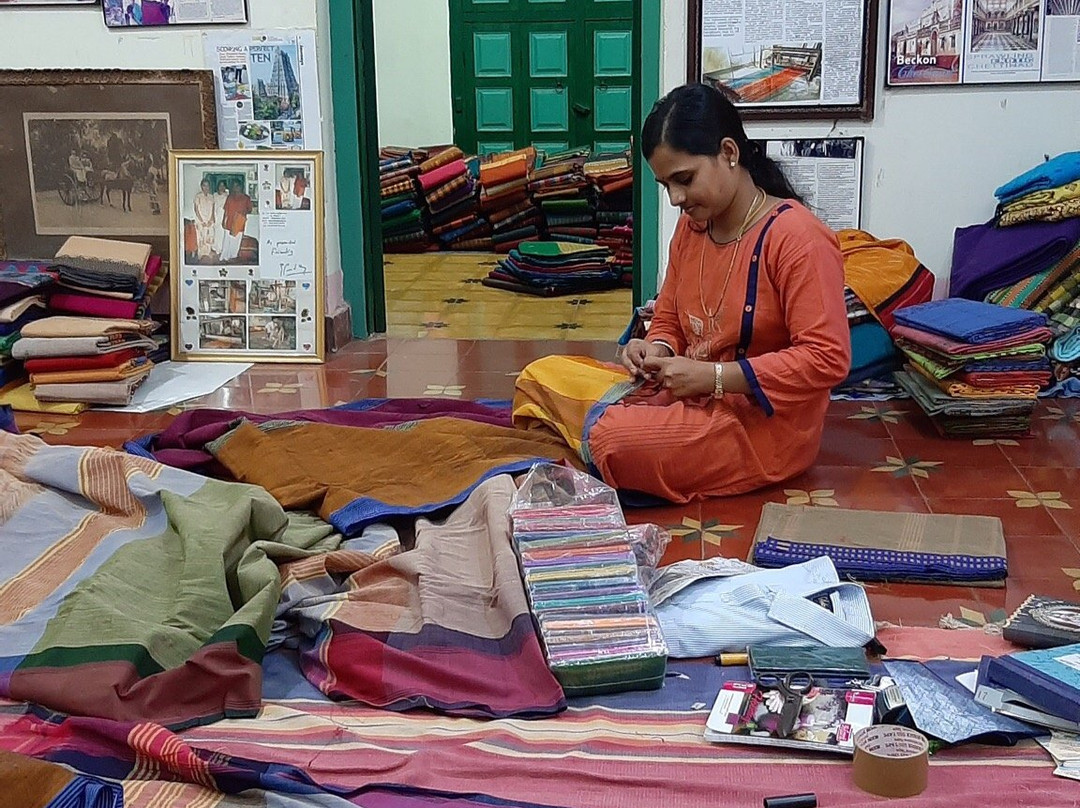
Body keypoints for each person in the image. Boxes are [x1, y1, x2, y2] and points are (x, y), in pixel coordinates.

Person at [513, 83, 850, 503]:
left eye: (684, 180)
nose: (675, 199)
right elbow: (670, 313)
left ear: (729, 152)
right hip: (685, 390)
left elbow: (827, 358)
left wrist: (714, 378)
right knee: (537, 377)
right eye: (665, 185)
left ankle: (594, 448)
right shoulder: (693, 227)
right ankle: (601, 447)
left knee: (611, 440)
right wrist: (655, 347)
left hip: (755, 425)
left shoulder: (798, 238)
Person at [220, 180, 253, 263]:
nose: (236, 188)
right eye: (234, 186)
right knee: (227, 241)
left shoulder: (246, 198)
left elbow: (249, 210)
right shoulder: (230, 197)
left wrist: (241, 215)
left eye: (237, 186)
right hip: (229, 222)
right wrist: (223, 220)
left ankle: (233, 257)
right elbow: (226, 210)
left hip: (239, 222)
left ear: (241, 187)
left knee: (236, 241)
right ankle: (224, 257)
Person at [192, 178, 217, 260]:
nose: (206, 187)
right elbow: (196, 209)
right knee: (201, 237)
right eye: (204, 185)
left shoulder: (211, 196)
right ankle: (201, 254)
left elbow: (213, 209)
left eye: (207, 185)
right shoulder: (198, 196)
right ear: (201, 186)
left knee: (209, 237)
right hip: (201, 220)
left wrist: (211, 219)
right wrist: (202, 221)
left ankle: (207, 253)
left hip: (209, 220)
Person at [212, 180, 229, 254]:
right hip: (216, 215)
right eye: (220, 185)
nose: (221, 187)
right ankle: (215, 248)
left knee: (222, 233)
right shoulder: (214, 195)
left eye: (223, 186)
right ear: (218, 186)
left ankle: (220, 249)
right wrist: (212, 216)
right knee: (215, 233)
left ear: (225, 187)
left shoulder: (227, 195)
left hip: (223, 215)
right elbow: (212, 206)